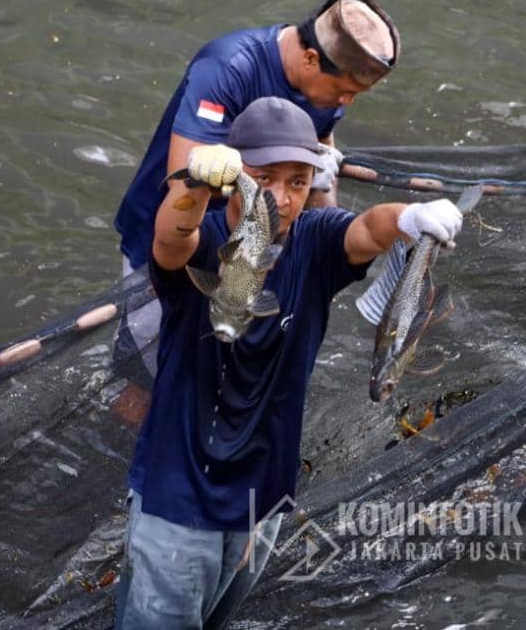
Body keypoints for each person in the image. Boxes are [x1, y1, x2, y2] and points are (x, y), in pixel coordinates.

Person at [114, 97, 463, 629]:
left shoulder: (315, 243)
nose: (281, 196)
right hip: (179, 495)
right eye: (264, 178)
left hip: (261, 501)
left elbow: (370, 228)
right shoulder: (207, 244)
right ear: (237, 177)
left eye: (298, 182)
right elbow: (170, 238)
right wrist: (193, 185)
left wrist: (412, 218)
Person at [109, 0, 400, 416]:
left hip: (259, 255)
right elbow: (183, 181)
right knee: (154, 382)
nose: (346, 103)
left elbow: (319, 168)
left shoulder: (325, 91)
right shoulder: (226, 68)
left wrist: (319, 249)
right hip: (178, 248)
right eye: (343, 91)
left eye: (356, 95)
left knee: (236, 380)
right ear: (312, 59)